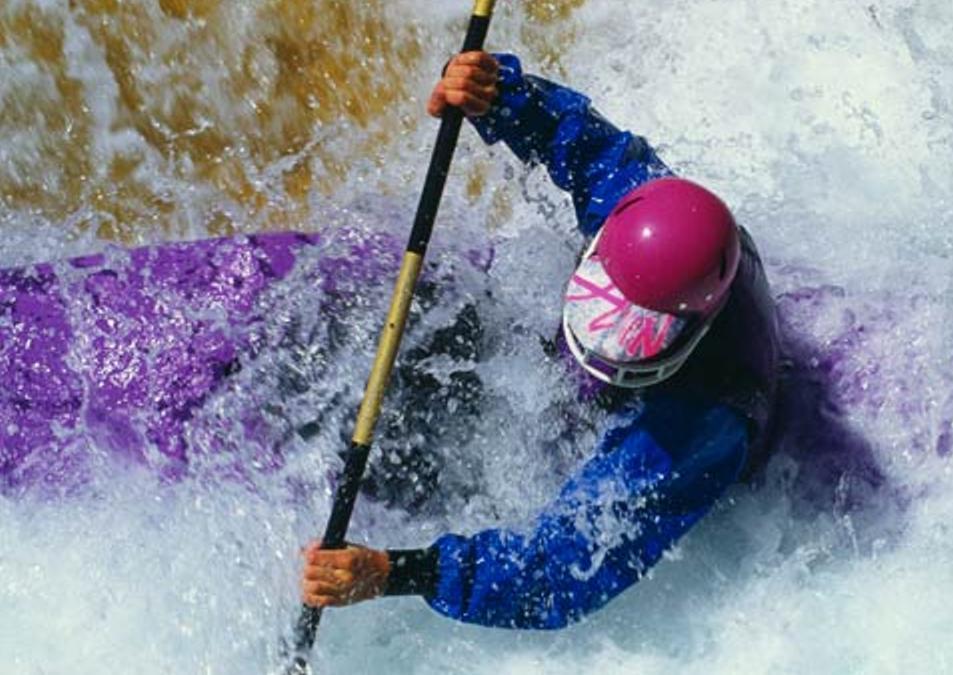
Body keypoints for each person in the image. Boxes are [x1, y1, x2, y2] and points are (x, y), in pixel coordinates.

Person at [300, 51, 781, 629]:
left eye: (633, 339)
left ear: (693, 332)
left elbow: (555, 577)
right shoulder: (642, 204)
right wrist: (498, 93)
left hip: (660, 436)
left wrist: (397, 572)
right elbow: (581, 143)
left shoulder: (692, 430)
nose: (608, 346)